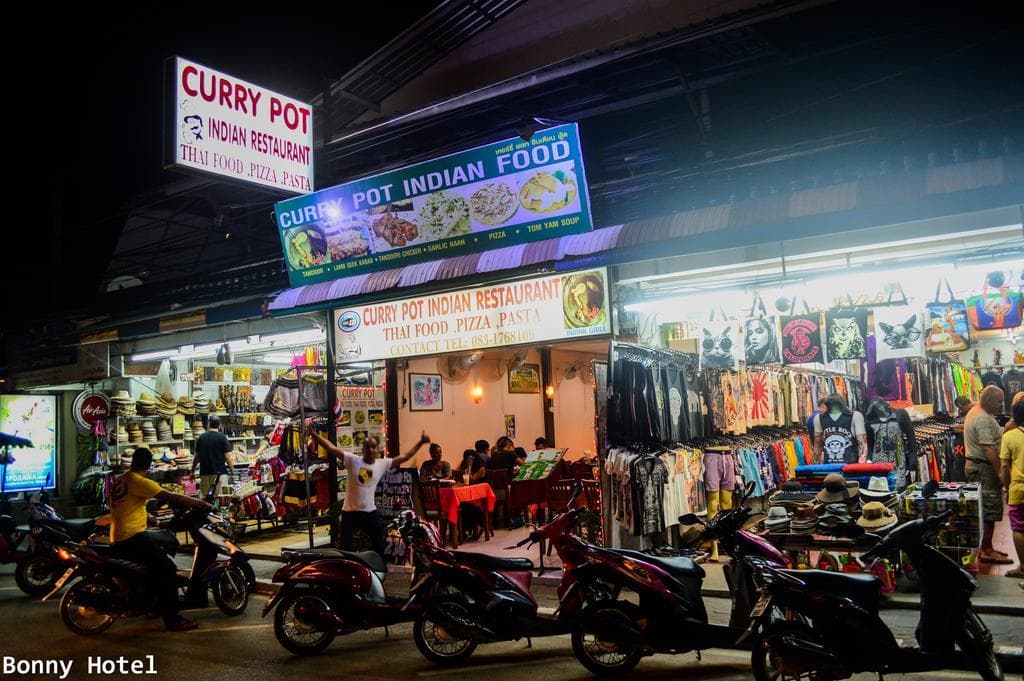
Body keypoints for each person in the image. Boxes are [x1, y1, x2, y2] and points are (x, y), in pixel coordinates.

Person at [110, 447, 212, 631]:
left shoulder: (121, 480)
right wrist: (200, 502)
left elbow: (130, 508)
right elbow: (171, 496)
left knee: (156, 563)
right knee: (168, 569)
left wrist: (155, 522)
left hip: (119, 535)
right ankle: (173, 620)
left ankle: (154, 605)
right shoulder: (139, 481)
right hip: (133, 536)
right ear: (148, 464)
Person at [313, 430, 430, 558]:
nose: (370, 449)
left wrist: (421, 442)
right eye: (367, 447)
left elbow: (405, 457)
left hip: (369, 513)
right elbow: (331, 447)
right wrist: (313, 434)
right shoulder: (352, 460)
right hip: (350, 513)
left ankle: (378, 567)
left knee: (379, 546)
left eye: (373, 447)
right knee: (345, 548)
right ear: (363, 449)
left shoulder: (382, 464)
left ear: (377, 449)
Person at [965, 385, 1012, 564]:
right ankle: (987, 550)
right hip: (983, 468)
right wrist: (1000, 472)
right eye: (999, 401)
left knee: (986, 508)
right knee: (989, 509)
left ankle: (987, 547)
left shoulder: (980, 413)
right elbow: (988, 448)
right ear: (989, 399)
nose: (1001, 405)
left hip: (980, 467)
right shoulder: (982, 418)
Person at [864, 398, 917, 490]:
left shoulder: (900, 414)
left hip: (898, 461)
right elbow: (870, 444)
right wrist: (868, 459)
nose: (878, 410)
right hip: (878, 463)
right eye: (875, 408)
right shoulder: (870, 421)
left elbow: (911, 439)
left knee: (899, 488)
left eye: (879, 407)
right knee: (882, 489)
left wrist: (912, 462)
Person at [1000, 399, 1024, 581]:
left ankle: (1023, 567)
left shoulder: (1009, 437)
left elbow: (1005, 467)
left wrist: (1006, 488)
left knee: (1019, 527)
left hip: (1018, 488)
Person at [813, 394, 867, 465]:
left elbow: (862, 443)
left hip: (850, 466)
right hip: (829, 466)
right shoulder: (818, 418)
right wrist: (816, 465)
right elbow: (817, 445)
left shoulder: (855, 416)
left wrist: (861, 465)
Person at [191, 415, 233, 500]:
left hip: (205, 473)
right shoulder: (222, 437)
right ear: (219, 425)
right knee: (220, 498)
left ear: (209, 424)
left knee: (206, 499)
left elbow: (197, 457)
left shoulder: (201, 438)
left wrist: (192, 471)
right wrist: (232, 471)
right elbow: (227, 457)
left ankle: (207, 509)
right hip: (219, 473)